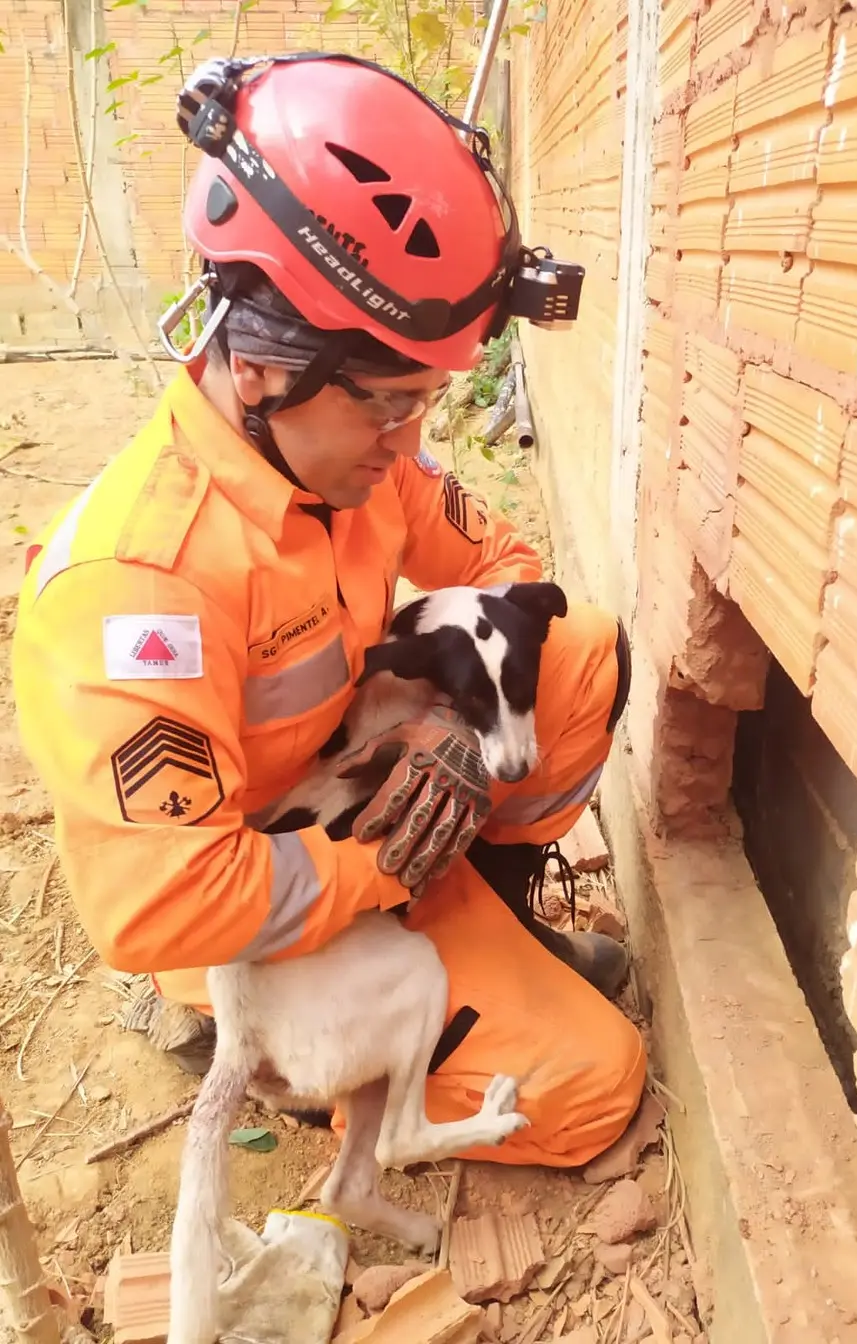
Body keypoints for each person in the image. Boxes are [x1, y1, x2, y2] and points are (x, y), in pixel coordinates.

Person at [11, 52, 645, 1168]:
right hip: (255, 917)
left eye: (429, 401)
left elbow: (507, 562)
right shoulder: (140, 589)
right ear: (260, 369)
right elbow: (169, 903)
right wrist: (389, 865)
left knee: (579, 653)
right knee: (594, 1092)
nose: (412, 442)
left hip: (367, 802)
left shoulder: (356, 457)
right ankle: (294, 1066)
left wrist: (446, 731)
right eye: (390, 405)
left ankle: (492, 926)